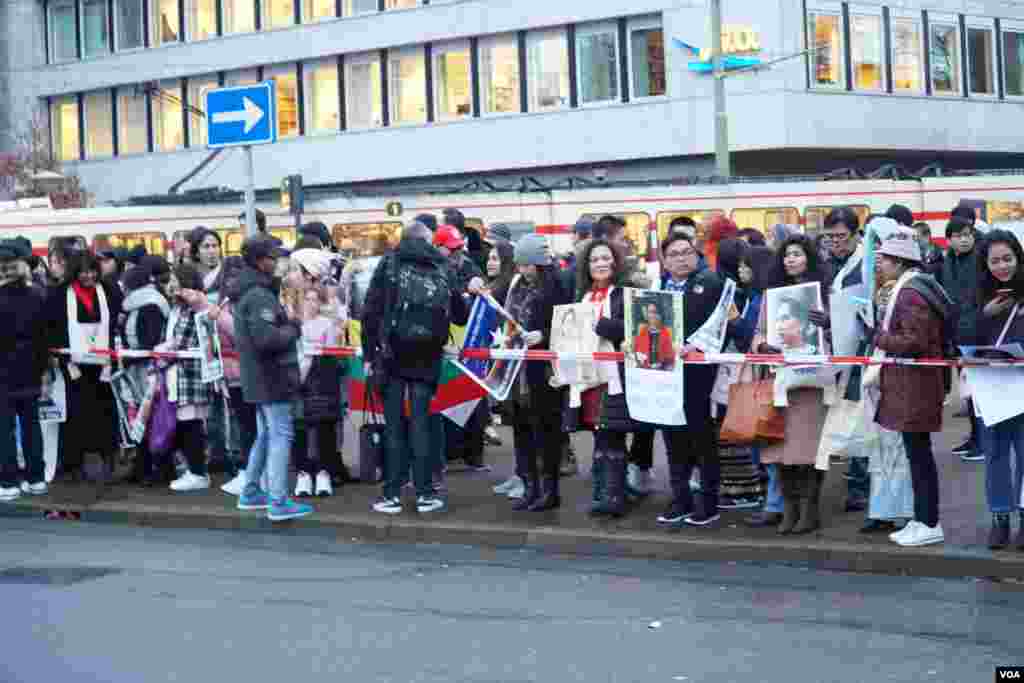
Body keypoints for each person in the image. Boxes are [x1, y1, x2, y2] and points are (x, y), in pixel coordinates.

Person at [362, 221, 477, 515]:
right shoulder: (441, 266)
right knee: (422, 423)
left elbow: (371, 311)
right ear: (428, 241)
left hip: (391, 355)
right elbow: (461, 317)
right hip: (428, 355)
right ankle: (425, 493)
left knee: (394, 425)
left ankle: (392, 495)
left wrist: (368, 353)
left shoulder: (389, 263)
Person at [871, 229, 952, 547]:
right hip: (917, 383)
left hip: (914, 385)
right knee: (918, 455)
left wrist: (876, 336)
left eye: (884, 260)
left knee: (919, 456)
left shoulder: (909, 293)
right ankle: (922, 519)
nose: (880, 266)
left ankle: (929, 522)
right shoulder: (918, 287)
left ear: (898, 262)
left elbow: (913, 342)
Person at [476, 234, 568, 510]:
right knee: (523, 430)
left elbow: (569, 326)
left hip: (542, 371)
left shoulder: (558, 285)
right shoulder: (517, 283)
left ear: (539, 263)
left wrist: (543, 334)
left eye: (527, 264)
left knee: (545, 432)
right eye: (520, 264)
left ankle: (549, 492)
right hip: (517, 370)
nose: (521, 269)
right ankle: (531, 486)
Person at [234, 234, 313, 522]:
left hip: (258, 376)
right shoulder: (259, 296)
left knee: (267, 433)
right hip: (272, 376)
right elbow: (266, 339)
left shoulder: (251, 291)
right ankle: (278, 501)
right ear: (260, 261)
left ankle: (252, 490)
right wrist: (293, 327)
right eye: (274, 257)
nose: (279, 262)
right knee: (281, 433)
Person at [755, 235, 830, 535]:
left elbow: (842, 334)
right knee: (781, 450)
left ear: (809, 258)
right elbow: (758, 333)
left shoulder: (824, 294)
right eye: (786, 255)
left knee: (809, 450)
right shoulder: (771, 297)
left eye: (797, 254)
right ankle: (790, 509)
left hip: (812, 383)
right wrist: (762, 347)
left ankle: (810, 511)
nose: (790, 260)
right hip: (781, 382)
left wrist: (827, 323)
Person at [654, 232, 725, 527]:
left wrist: (696, 345)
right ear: (665, 261)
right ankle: (680, 498)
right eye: (674, 254)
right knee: (673, 440)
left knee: (702, 440)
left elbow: (719, 326)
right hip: (668, 376)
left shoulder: (710, 283)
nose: (681, 258)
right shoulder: (659, 288)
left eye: (686, 252)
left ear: (696, 255)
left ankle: (708, 503)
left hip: (700, 376)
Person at [810, 207, 871, 513]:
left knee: (860, 417)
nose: (835, 242)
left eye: (841, 236)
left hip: (861, 351)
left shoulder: (867, 265)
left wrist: (832, 320)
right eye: (830, 237)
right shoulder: (824, 265)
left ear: (855, 234)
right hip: (830, 352)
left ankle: (860, 485)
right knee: (837, 416)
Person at [46, 250, 121, 482]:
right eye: (83, 272)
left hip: (102, 365)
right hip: (73, 365)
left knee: (105, 412)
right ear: (74, 273)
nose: (89, 276)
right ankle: (74, 463)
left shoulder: (109, 291)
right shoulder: (59, 294)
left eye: (92, 271)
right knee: (75, 415)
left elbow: (115, 320)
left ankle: (108, 458)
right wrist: (63, 358)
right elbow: (54, 328)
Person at [973, 230, 1024, 549]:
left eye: (1008, 259)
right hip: (990, 387)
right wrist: (983, 316)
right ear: (985, 264)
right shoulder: (976, 293)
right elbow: (958, 334)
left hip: (1021, 384)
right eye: (995, 261)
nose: (1002, 266)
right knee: (994, 455)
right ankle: (1000, 518)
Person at [285, 248, 345, 499]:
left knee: (325, 426)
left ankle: (324, 472)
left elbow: (338, 340)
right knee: (299, 426)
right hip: (298, 378)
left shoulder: (331, 305)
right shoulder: (288, 311)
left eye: (294, 269)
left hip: (322, 376)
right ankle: (303, 473)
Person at [157, 265, 215, 493]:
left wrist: (159, 350)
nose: (171, 286)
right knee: (186, 424)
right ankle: (194, 470)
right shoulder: (177, 309)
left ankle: (198, 473)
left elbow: (180, 343)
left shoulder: (192, 309)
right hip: (179, 375)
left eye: (175, 281)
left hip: (189, 376)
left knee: (191, 425)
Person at [0, 239, 50, 501]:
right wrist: (43, 371)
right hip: (31, 368)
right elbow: (44, 337)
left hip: (2, 373)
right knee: (32, 427)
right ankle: (36, 479)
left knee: (4, 430)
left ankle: (8, 482)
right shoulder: (37, 295)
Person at [120, 255, 173, 486]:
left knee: (151, 420)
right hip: (139, 369)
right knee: (143, 419)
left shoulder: (148, 307)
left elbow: (148, 341)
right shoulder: (146, 304)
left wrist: (131, 356)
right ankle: (144, 466)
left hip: (147, 371)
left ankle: (156, 467)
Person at [207, 256, 256, 496]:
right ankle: (248, 471)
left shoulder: (233, 304)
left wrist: (219, 317)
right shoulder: (229, 302)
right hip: (233, 373)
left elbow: (240, 334)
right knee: (244, 424)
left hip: (245, 372)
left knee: (249, 426)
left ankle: (250, 473)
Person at [937, 216, 984, 462]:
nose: (964, 239)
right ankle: (975, 436)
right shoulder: (949, 260)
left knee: (978, 392)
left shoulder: (979, 258)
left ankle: (983, 442)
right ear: (949, 240)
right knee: (967, 391)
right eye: (958, 235)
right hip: (957, 333)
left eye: (968, 234)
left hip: (975, 334)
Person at [633, 302, 675, 370]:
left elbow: (670, 359)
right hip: (644, 371)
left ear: (660, 315)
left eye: (655, 312)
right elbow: (636, 352)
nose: (652, 315)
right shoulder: (642, 330)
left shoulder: (666, 332)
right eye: (649, 312)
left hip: (661, 371)